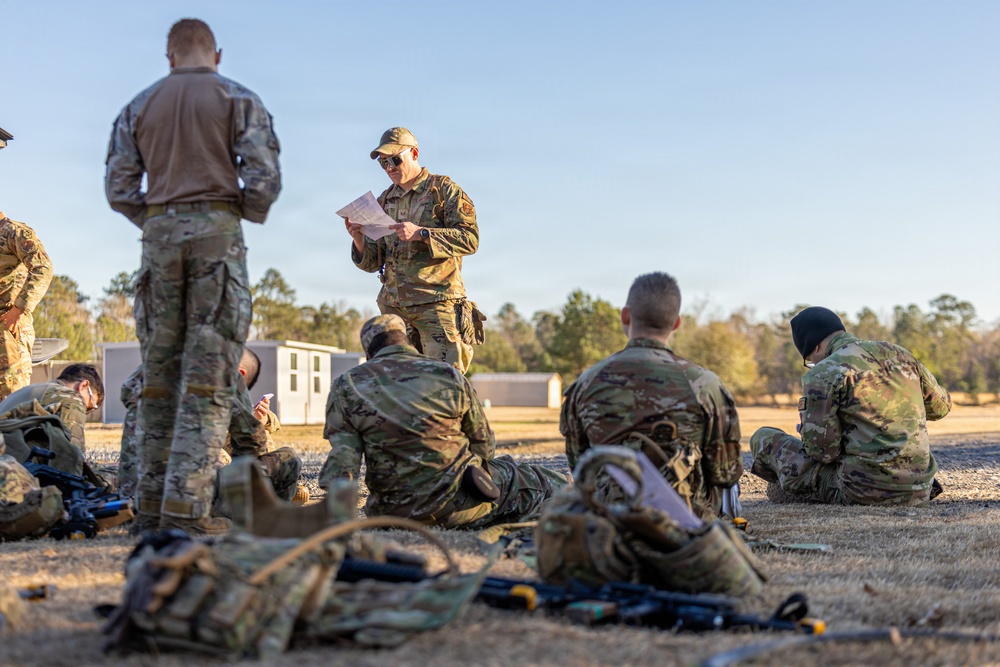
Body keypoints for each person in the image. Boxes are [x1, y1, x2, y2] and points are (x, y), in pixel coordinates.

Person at [105, 18, 281, 534]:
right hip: (217, 238)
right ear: (217, 55)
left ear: (170, 57)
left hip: (157, 239)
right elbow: (265, 182)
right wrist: (225, 213)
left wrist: (160, 218)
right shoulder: (238, 99)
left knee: (157, 380)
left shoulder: (139, 105)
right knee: (208, 380)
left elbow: (118, 187)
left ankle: (152, 513)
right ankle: (186, 515)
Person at [321, 314, 568, 528]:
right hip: (460, 509)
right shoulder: (447, 373)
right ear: (405, 340)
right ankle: (577, 497)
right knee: (528, 476)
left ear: (368, 350)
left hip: (390, 514)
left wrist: (338, 517)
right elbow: (484, 445)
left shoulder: (348, 384)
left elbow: (344, 460)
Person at [560, 272, 743, 519]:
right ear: (676, 322)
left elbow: (579, 466)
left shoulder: (586, 383)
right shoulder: (705, 384)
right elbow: (725, 473)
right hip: (686, 520)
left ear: (625, 315)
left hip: (608, 519)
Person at [750, 306, 951, 506]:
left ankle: (792, 490)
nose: (813, 364)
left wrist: (808, 432)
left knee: (763, 438)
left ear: (816, 347)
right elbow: (940, 408)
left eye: (809, 360)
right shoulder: (901, 355)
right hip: (919, 489)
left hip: (861, 491)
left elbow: (823, 453)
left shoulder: (825, 371)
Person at [345, 127, 481, 373]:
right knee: (398, 389)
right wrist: (359, 240)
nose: (389, 168)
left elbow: (470, 239)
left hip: (436, 305)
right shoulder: (384, 201)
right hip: (395, 310)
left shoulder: (443, 190)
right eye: (384, 163)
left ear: (414, 153)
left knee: (443, 386)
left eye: (395, 160)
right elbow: (372, 263)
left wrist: (422, 233)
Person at [116, 348, 304, 509]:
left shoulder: (150, 372)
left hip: (137, 497)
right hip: (193, 501)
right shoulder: (218, 379)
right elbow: (252, 444)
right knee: (287, 458)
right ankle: (271, 508)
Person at [0, 364, 103, 464]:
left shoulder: (28, 390)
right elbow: (73, 458)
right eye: (89, 407)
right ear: (84, 386)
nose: (85, 412)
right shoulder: (71, 398)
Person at [0, 211, 53, 400]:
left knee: (11, 400)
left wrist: (19, 308)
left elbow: (43, 268)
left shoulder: (13, 231)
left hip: (8, 327)